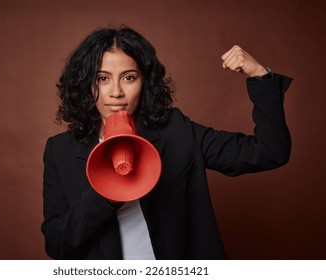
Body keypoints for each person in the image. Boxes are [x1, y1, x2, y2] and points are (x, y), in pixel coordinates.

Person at [41, 26, 292, 260]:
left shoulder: (177, 132)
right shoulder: (60, 150)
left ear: (145, 82)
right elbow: (57, 244)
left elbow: (269, 151)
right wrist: (107, 191)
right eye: (102, 79)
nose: (115, 92)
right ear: (85, 85)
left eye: (128, 78)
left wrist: (261, 77)